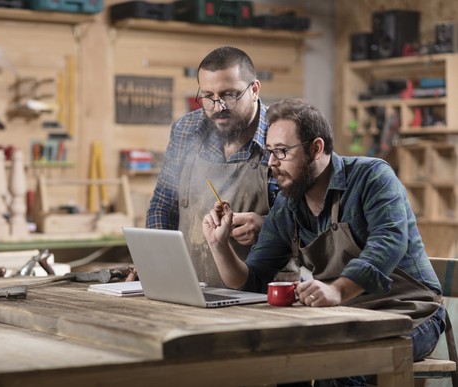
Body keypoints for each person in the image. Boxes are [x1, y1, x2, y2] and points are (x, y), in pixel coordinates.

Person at [203, 97, 446, 386]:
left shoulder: (373, 177)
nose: (271, 164)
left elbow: (388, 243)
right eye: (269, 152)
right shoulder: (287, 204)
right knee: (285, 365)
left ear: (316, 148)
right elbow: (251, 280)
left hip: (409, 312)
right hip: (346, 316)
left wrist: (337, 291)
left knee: (342, 367)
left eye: (281, 152)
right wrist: (220, 246)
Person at [146, 46, 280, 287]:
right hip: (192, 289)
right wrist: (159, 265)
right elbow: (163, 206)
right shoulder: (186, 130)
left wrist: (268, 227)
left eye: (230, 95)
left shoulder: (282, 135)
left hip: (263, 296)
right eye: (208, 96)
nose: (218, 107)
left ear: (255, 89)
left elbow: (310, 222)